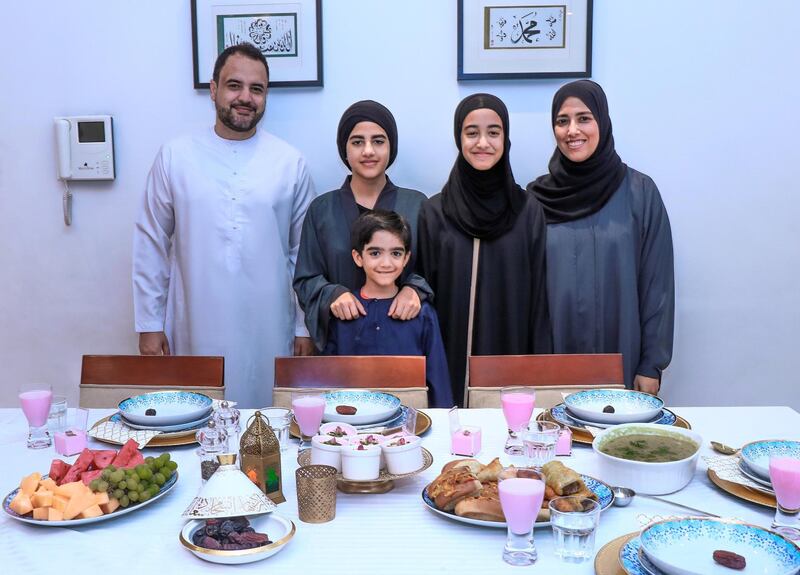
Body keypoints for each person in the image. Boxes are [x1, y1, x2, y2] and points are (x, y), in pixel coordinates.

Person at [132, 43, 315, 407]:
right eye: (234, 86)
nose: (245, 97)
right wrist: (149, 324)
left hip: (269, 323)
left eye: (257, 89)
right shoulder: (175, 155)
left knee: (268, 421)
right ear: (214, 89)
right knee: (196, 416)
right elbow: (150, 241)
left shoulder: (289, 162)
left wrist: (302, 327)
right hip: (194, 322)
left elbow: (303, 253)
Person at [527, 80, 674, 394]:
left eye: (584, 118)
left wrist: (652, 364)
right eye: (562, 121)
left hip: (624, 356)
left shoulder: (639, 192)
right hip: (554, 357)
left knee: (616, 441)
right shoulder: (537, 199)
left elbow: (657, 286)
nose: (572, 131)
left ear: (602, 122)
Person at [417, 93, 551, 406]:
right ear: (458, 138)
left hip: (512, 357)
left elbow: (538, 299)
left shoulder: (527, 210)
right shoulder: (435, 211)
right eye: (471, 132)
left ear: (506, 139)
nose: (483, 143)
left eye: (494, 132)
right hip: (446, 359)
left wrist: (539, 370)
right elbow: (422, 293)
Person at [294, 100, 432, 352]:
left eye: (378, 141)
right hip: (342, 340)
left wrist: (415, 289)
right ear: (344, 150)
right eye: (357, 142)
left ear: (392, 147)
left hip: (402, 338)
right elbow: (306, 278)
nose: (368, 150)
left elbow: (433, 270)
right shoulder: (321, 210)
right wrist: (332, 294)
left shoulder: (417, 205)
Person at [324, 210, 453, 408]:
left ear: (406, 258)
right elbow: (329, 381)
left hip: (410, 425)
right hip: (353, 425)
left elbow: (438, 378)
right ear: (358, 257)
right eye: (375, 253)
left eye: (396, 253)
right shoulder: (344, 311)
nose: (386, 263)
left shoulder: (422, 312)